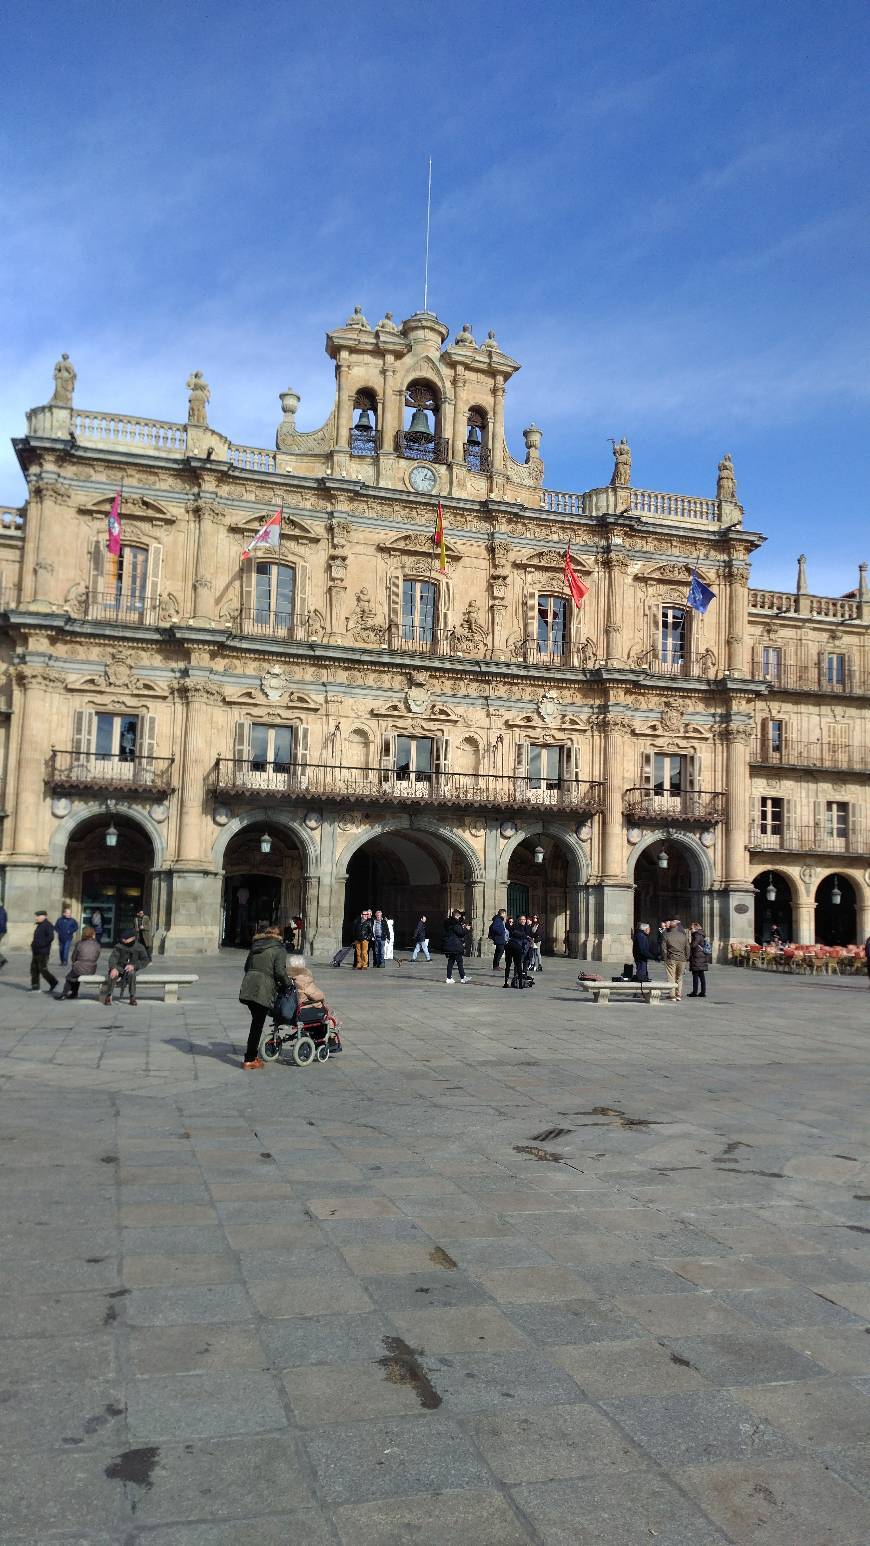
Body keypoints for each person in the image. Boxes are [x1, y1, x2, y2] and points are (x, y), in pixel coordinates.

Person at [238, 922, 292, 1070]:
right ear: (279, 936)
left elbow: (246, 967)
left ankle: (252, 1055)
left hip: (248, 985)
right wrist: (288, 984)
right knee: (257, 1025)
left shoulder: (256, 946)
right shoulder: (279, 949)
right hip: (263, 988)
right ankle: (249, 1059)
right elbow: (280, 972)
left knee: (256, 1022)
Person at [100, 930, 149, 1006]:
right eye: (122, 939)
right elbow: (112, 958)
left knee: (132, 974)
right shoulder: (119, 946)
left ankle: (132, 997)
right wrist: (113, 968)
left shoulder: (139, 947)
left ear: (132, 938)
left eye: (125, 939)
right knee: (113, 975)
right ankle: (108, 996)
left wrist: (134, 966)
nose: (123, 940)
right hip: (118, 967)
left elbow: (145, 960)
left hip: (130, 968)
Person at [60, 926, 101, 998]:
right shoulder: (97, 944)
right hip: (92, 969)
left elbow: (73, 957)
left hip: (80, 966)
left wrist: (75, 963)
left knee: (70, 977)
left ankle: (64, 994)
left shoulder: (80, 943)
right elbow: (96, 957)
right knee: (76, 974)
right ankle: (74, 994)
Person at [662, 918, 690, 1002]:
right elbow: (687, 947)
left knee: (671, 977)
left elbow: (664, 949)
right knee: (679, 977)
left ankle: (672, 995)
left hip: (671, 958)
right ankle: (678, 995)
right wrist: (686, 957)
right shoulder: (683, 936)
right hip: (682, 959)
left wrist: (665, 957)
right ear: (677, 927)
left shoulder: (666, 935)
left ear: (670, 927)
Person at [31, 910, 58, 993]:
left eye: (38, 916)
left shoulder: (47, 925)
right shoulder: (40, 925)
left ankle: (53, 982)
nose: (36, 918)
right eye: (36, 916)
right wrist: (33, 944)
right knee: (34, 969)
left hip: (43, 951)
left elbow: (50, 937)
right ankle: (35, 987)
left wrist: (41, 944)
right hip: (36, 951)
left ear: (44, 916)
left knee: (42, 969)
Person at [442, 910, 469, 983]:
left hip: (449, 945)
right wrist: (466, 929)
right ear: (457, 916)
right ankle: (463, 978)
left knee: (451, 961)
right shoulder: (455, 924)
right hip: (455, 945)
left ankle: (448, 978)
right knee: (460, 962)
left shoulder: (448, 923)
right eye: (460, 916)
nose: (461, 917)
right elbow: (460, 933)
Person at [504, 915, 529, 989]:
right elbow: (521, 936)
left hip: (509, 945)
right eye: (522, 919)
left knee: (508, 965)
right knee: (518, 965)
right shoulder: (520, 927)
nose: (523, 921)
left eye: (524, 919)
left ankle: (506, 983)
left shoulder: (514, 926)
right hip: (516, 946)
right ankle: (520, 984)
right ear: (519, 920)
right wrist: (525, 936)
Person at [688, 922, 710, 999]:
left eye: (691, 928)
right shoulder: (701, 934)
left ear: (695, 928)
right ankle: (703, 992)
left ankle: (695, 992)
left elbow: (693, 945)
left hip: (697, 958)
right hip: (701, 957)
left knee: (695, 976)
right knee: (701, 976)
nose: (690, 930)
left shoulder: (696, 935)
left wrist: (689, 942)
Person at [0, 900, 7, 970]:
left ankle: (2, 960)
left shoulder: (1, 911)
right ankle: (2, 959)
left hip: (0, 931)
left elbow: (1, 923)